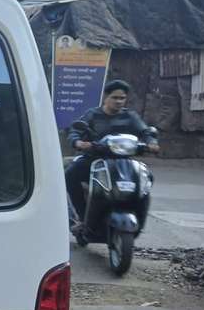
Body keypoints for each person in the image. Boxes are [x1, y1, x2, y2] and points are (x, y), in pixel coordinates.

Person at [65, 80, 159, 225]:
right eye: (115, 97)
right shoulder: (93, 115)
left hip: (124, 161)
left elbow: (145, 131)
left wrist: (151, 142)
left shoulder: (130, 116)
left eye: (122, 98)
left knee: (147, 179)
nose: (119, 101)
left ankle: (139, 218)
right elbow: (76, 130)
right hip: (95, 159)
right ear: (106, 97)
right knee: (70, 175)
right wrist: (78, 142)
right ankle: (80, 216)